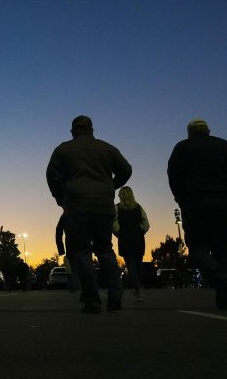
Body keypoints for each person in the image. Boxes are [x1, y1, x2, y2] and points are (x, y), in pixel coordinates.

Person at [47, 115, 132, 313]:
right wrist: (110, 186)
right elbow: (126, 170)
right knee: (105, 249)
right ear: (92, 129)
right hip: (103, 204)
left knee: (82, 251)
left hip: (76, 204)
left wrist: (61, 197)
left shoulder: (63, 150)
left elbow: (51, 176)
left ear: (72, 131)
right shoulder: (107, 148)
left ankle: (92, 300)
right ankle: (115, 293)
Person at [167, 119, 227, 309]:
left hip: (195, 203)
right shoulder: (226, 146)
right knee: (222, 248)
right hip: (224, 202)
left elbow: (174, 175)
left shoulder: (183, 147)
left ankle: (217, 275)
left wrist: (181, 198)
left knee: (197, 247)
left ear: (190, 132)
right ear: (208, 131)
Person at [113, 186, 150, 301]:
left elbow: (114, 224)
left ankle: (138, 291)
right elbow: (146, 224)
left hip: (125, 239)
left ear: (120, 195)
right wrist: (140, 231)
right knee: (138, 265)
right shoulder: (138, 207)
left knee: (131, 266)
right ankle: (138, 289)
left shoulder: (117, 208)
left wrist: (120, 233)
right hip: (139, 239)